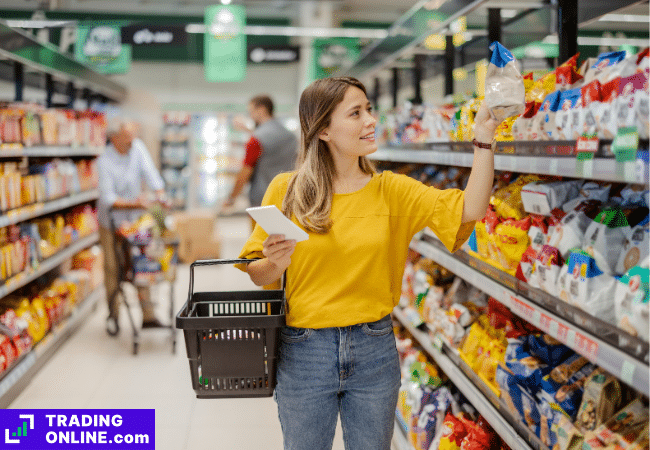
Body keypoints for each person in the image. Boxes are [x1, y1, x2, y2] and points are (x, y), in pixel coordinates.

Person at [236, 76, 500, 450]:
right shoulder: (288, 189)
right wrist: (275, 264)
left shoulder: (392, 190)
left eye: (369, 110)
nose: (370, 121)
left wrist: (484, 140)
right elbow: (256, 272)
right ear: (324, 129)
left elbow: (470, 209)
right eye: (356, 113)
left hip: (374, 348)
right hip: (305, 350)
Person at [97, 119, 167, 336]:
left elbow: (151, 175)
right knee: (113, 269)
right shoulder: (104, 160)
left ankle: (148, 316)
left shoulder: (137, 148)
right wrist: (139, 203)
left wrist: (160, 194)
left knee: (141, 264)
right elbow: (109, 199)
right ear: (115, 138)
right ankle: (113, 315)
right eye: (127, 137)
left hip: (135, 222)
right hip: (111, 222)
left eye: (133, 136)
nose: (132, 141)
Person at [223, 95, 298, 216]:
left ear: (262, 109)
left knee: (260, 235)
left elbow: (246, 171)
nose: (250, 115)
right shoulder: (291, 137)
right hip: (288, 198)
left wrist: (232, 197)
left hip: (262, 200)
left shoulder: (256, 139)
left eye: (251, 111)